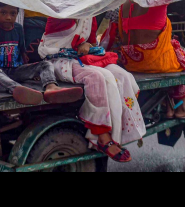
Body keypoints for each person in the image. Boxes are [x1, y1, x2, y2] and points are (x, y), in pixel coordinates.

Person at [39, 15, 145, 163]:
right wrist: (83, 45)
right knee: (97, 78)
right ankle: (101, 135)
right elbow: (67, 38)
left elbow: (91, 41)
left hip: (82, 58)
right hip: (58, 60)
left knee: (123, 76)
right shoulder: (60, 11)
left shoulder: (90, 13)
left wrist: (88, 45)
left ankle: (118, 131)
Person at [0, 1, 83, 106]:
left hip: (15, 70)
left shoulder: (18, 28)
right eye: (3, 13)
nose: (8, 17)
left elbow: (22, 50)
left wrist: (30, 68)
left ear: (17, 14)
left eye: (12, 14)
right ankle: (18, 89)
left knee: (46, 64)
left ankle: (51, 87)